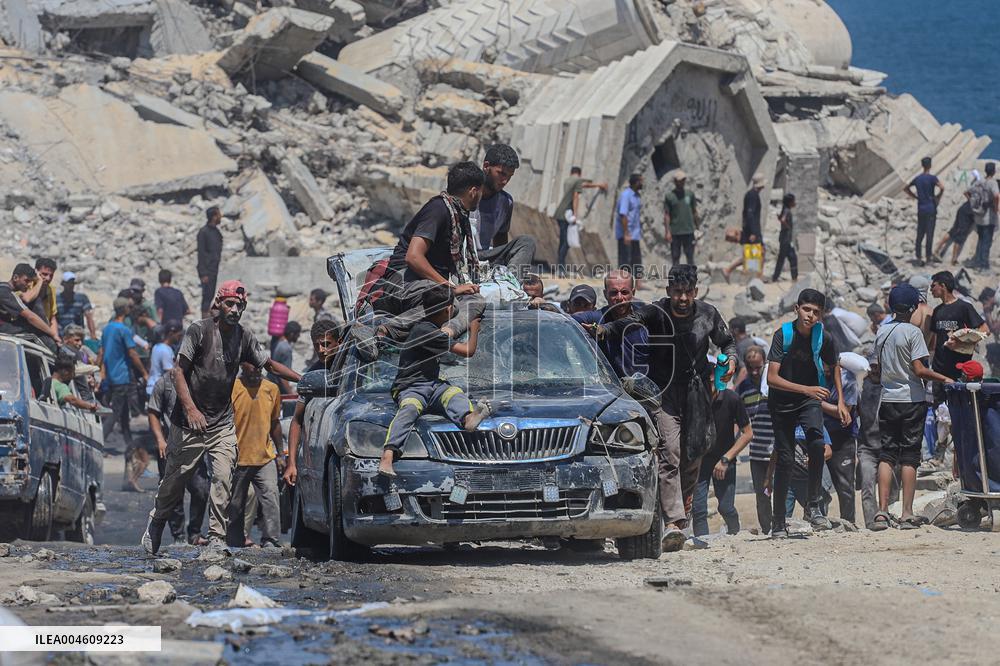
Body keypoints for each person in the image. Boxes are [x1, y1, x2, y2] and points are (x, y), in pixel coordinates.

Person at [142, 280, 300, 554]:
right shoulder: (199, 331)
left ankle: (216, 537)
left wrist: (304, 379)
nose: (235, 309)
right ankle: (156, 523)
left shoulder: (244, 337)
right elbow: (179, 371)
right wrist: (191, 409)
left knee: (223, 477)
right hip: (187, 423)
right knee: (173, 483)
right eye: (230, 303)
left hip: (221, 424)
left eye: (240, 305)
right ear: (219, 303)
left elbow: (269, 364)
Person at [596, 264, 736, 551]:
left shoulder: (708, 314)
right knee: (669, 452)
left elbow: (728, 343)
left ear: (695, 292)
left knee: (695, 451)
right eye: (677, 292)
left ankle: (679, 513)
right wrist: (604, 329)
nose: (682, 298)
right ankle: (673, 522)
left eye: (688, 292)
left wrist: (731, 362)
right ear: (669, 291)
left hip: (697, 394)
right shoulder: (656, 311)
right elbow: (629, 321)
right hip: (664, 393)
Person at [378, 284, 491, 477]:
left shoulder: (428, 326)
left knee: (453, 394)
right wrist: (474, 328)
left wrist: (457, 292)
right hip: (410, 386)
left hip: (432, 384)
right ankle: (387, 456)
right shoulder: (426, 332)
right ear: (449, 310)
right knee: (410, 409)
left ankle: (468, 417)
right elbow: (468, 351)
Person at [766, 288, 850, 536]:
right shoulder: (784, 335)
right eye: (806, 310)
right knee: (786, 459)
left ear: (821, 315)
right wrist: (807, 389)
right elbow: (772, 378)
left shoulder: (823, 336)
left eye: (816, 312)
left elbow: (835, 364)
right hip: (782, 400)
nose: (810, 316)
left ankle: (813, 505)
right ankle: (778, 520)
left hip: (809, 399)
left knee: (816, 443)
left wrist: (841, 401)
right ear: (797, 309)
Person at [870, 284, 955, 530]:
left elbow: (876, 370)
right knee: (909, 457)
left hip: (887, 400)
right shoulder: (914, 333)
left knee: (886, 455)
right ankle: (907, 513)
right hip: (911, 401)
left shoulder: (882, 332)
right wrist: (944, 378)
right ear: (915, 307)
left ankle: (881, 512)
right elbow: (919, 370)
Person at [147, 372, 210, 546]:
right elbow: (153, 412)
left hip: (196, 444)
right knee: (174, 491)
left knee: (201, 489)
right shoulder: (164, 383)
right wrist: (160, 440)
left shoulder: (201, 380)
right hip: (170, 446)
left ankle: (194, 533)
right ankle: (178, 535)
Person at [227, 362, 285, 548]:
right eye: (252, 365)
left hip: (264, 456)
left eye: (259, 366)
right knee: (236, 503)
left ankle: (270, 540)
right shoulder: (233, 388)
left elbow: (275, 423)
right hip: (238, 457)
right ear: (242, 365)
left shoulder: (271, 389)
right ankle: (234, 541)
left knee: (271, 495)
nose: (257, 370)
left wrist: (280, 454)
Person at [691, 367, 752, 537]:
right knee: (698, 509)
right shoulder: (694, 400)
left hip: (725, 458)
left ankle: (735, 534)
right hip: (700, 460)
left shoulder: (732, 399)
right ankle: (701, 543)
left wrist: (726, 459)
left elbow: (747, 434)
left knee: (726, 507)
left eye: (711, 381)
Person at [283, 319, 342, 487]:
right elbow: (297, 420)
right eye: (317, 346)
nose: (321, 350)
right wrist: (292, 464)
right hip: (321, 454)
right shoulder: (314, 374)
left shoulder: (351, 368)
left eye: (326, 344)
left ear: (339, 342)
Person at [98, 297, 149, 490]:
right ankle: (99, 444)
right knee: (116, 414)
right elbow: (133, 354)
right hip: (122, 378)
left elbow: (102, 352)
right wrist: (144, 372)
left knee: (125, 419)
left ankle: (131, 448)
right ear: (125, 309)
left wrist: (101, 371)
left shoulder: (107, 328)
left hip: (111, 377)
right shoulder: (124, 330)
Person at [468, 145, 537, 279]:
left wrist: (502, 262)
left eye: (509, 176)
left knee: (527, 242)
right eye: (501, 174)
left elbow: (501, 239)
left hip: (486, 256)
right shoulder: (467, 193)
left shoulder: (506, 202)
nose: (505, 181)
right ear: (486, 166)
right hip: (463, 254)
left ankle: (509, 284)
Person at [928, 271, 987, 406]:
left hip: (959, 370)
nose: (931, 289)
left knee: (960, 412)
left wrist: (962, 341)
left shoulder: (963, 307)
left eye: (933, 286)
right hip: (939, 371)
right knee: (940, 413)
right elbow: (935, 340)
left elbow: (984, 330)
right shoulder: (937, 311)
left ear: (942, 286)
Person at [737, 346, 776, 534]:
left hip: (778, 448)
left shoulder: (774, 383)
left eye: (758, 368)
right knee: (762, 494)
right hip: (757, 452)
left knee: (785, 490)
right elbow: (739, 418)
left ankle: (782, 525)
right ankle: (768, 529)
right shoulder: (743, 388)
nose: (754, 372)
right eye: (750, 368)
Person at [820, 363, 859, 525]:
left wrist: (817, 403)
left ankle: (848, 523)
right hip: (820, 436)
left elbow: (844, 413)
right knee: (819, 486)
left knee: (845, 487)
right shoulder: (815, 376)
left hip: (843, 439)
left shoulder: (848, 380)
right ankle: (820, 521)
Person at [554, 166, 607, 272]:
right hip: (567, 214)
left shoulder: (568, 180)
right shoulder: (578, 180)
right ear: (580, 173)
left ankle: (560, 265)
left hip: (560, 213)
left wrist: (597, 185)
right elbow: (576, 196)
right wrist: (575, 214)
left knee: (563, 240)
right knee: (566, 242)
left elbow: (584, 185)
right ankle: (560, 267)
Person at [0, 264, 59, 349]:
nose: (28, 285)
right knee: (35, 333)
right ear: (15, 278)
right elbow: (31, 317)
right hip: (2, 328)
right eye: (26, 281)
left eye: (30, 282)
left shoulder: (5, 289)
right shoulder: (5, 292)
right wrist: (52, 334)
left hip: (5, 326)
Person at [724, 174, 766, 281]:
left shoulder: (751, 194)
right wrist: (753, 232)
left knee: (754, 254)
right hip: (753, 230)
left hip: (752, 229)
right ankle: (754, 277)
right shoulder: (753, 195)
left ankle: (755, 276)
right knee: (756, 254)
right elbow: (750, 214)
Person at [904, 156, 944, 266]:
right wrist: (938, 197)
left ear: (922, 165)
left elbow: (906, 188)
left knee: (920, 233)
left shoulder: (918, 178)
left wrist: (915, 196)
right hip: (931, 208)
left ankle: (918, 257)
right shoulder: (932, 178)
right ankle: (928, 258)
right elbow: (942, 187)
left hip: (921, 208)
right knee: (929, 234)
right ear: (930, 165)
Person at [966, 162, 999, 270]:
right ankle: (984, 265)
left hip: (979, 216)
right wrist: (996, 207)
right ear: (994, 171)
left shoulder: (980, 181)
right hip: (989, 217)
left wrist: (973, 204)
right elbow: (996, 195)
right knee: (987, 241)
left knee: (981, 240)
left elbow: (967, 192)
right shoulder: (992, 183)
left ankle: (977, 262)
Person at [19, 258, 59, 341]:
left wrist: (55, 336)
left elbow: (52, 317)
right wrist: (40, 281)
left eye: (51, 275)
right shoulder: (26, 285)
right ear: (36, 272)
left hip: (45, 332)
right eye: (44, 274)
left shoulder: (51, 290)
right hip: (26, 331)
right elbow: (27, 298)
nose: (48, 278)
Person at [664, 171, 698, 266]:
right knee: (675, 257)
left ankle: (691, 278)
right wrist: (667, 231)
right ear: (675, 181)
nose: (682, 182)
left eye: (684, 180)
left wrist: (697, 228)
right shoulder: (669, 196)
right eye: (680, 180)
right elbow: (667, 215)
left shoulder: (690, 194)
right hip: (675, 232)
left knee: (690, 257)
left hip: (689, 231)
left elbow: (694, 211)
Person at [197, 206, 224, 318]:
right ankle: (204, 321)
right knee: (206, 297)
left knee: (211, 294)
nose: (220, 217)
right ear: (213, 217)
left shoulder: (217, 232)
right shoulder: (204, 232)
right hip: (207, 271)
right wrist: (203, 273)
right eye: (218, 214)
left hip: (213, 269)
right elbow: (201, 254)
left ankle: (209, 316)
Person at [616, 173, 643, 275]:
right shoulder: (626, 195)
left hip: (635, 234)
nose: (642, 184)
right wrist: (626, 233)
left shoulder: (636, 196)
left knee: (636, 260)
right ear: (636, 183)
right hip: (626, 234)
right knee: (625, 261)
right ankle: (623, 283)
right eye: (641, 181)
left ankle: (638, 283)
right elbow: (623, 215)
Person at [61, 324, 97, 402]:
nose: (80, 344)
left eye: (81, 341)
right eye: (77, 340)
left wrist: (91, 379)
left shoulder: (81, 354)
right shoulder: (62, 354)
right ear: (65, 339)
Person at [55, 272, 96, 339]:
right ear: (63, 284)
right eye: (68, 283)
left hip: (77, 336)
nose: (70, 285)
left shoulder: (82, 298)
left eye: (72, 283)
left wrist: (93, 334)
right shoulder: (56, 299)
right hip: (61, 336)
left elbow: (89, 316)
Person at [935, 200, 976, 266]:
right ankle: (953, 260)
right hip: (967, 213)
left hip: (965, 210)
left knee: (953, 231)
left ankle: (937, 250)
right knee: (960, 235)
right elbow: (966, 193)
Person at [147, 322, 182, 396]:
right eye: (178, 335)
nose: (179, 338)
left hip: (152, 388)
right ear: (171, 333)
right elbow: (169, 372)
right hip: (158, 391)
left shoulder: (157, 346)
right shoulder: (164, 350)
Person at [268, 321, 301, 394]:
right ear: (292, 334)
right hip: (278, 387)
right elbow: (284, 375)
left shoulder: (275, 342)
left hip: (270, 382)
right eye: (297, 334)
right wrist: (290, 393)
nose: (298, 337)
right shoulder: (286, 349)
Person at [771, 193, 798, 282]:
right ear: (790, 202)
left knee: (783, 258)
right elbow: (783, 220)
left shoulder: (785, 209)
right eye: (793, 201)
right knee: (792, 258)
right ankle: (794, 278)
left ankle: (775, 277)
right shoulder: (787, 211)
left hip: (784, 238)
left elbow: (781, 219)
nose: (795, 203)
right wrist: (787, 227)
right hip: (786, 239)